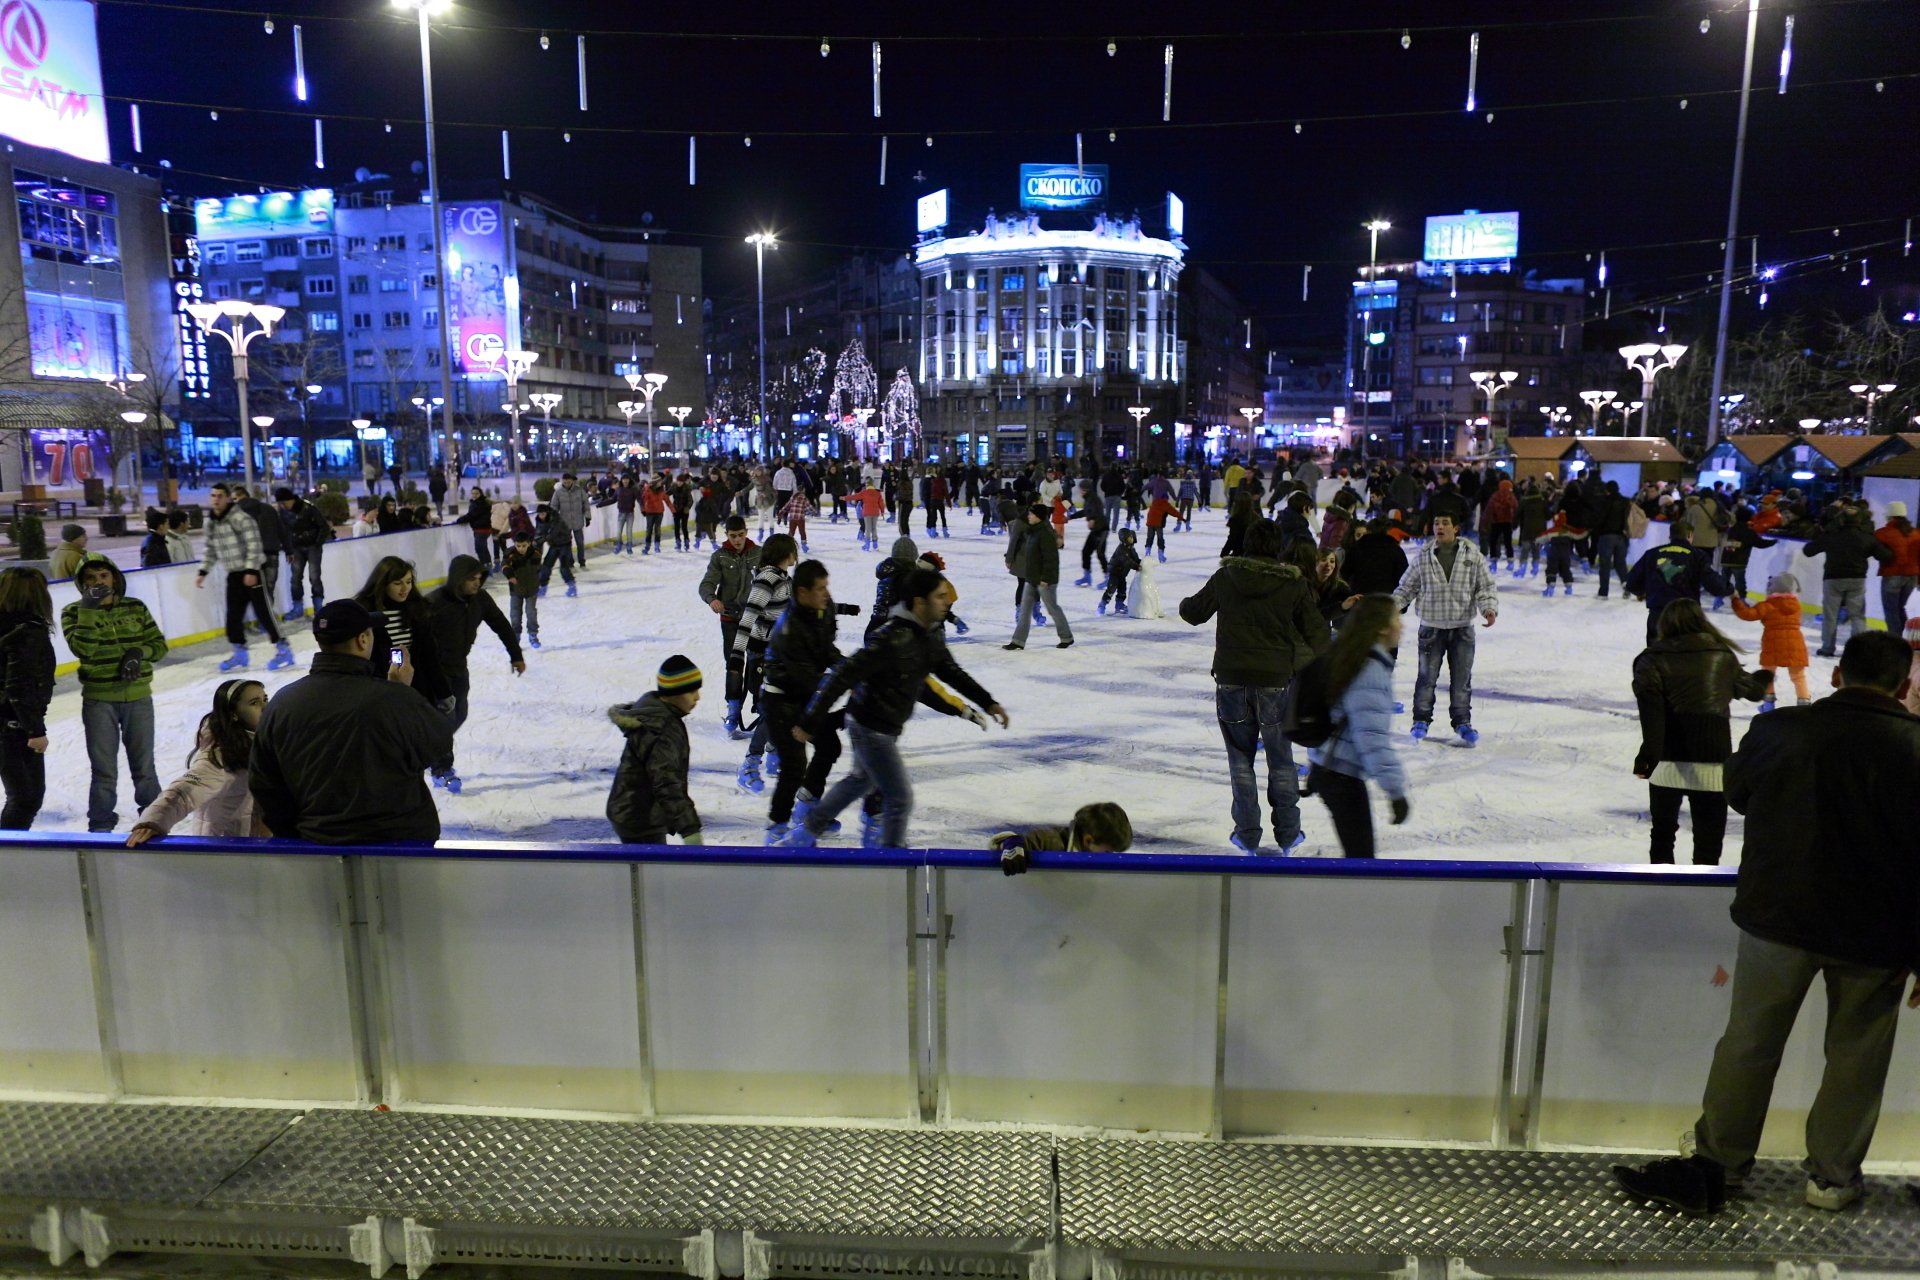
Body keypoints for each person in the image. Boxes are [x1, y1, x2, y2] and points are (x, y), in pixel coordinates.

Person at [1612, 631, 1920, 1219]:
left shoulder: (1779, 731)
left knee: (1749, 1044)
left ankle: (1719, 1166)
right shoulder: (1914, 747)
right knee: (1856, 1056)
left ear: (1835, 676)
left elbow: (1738, 791)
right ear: (1904, 686)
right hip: (1876, 934)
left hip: (1779, 917)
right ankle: (1831, 1181)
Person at [778, 569, 1008, 849]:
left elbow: (949, 671)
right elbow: (842, 676)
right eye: (939, 596)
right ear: (919, 602)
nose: (946, 602)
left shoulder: (930, 634)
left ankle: (804, 834)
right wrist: (809, 721)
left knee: (860, 781)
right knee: (899, 798)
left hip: (881, 724)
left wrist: (987, 701)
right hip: (870, 726)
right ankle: (892, 860)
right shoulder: (890, 638)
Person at [1179, 519, 1330, 853]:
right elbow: (1318, 635)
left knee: (1240, 760)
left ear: (1246, 544)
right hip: (1275, 681)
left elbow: (1193, 613)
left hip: (1232, 679)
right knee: (1281, 760)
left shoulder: (1226, 577)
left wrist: (1185, 604)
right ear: (1277, 547)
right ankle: (1289, 834)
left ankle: (1247, 834)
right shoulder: (1292, 584)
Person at [250, 600, 456, 844]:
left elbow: (264, 782)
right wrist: (401, 692)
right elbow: (437, 743)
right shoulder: (394, 699)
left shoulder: (281, 704)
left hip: (318, 843)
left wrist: (295, 833)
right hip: (399, 842)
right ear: (362, 640)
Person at [1630, 600, 1773, 866]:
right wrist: (1763, 678)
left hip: (1667, 759)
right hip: (1713, 759)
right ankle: (1703, 901)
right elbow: (1753, 691)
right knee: (1709, 841)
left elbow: (1652, 715)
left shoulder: (1650, 659)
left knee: (1662, 836)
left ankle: (1661, 893)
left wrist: (1647, 757)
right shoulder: (1721, 655)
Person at [62, 557, 168, 833]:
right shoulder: (73, 612)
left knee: (145, 768)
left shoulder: (135, 607)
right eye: (91, 578)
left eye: (104, 576)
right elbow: (84, 650)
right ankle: (100, 825)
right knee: (104, 771)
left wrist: (138, 653)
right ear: (82, 584)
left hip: (138, 699)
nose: (99, 582)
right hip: (100, 701)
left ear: (114, 577)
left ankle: (154, 821)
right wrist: (89, 609)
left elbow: (159, 645)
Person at [760, 559, 861, 840]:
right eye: (819, 589)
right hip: (780, 700)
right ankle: (776, 827)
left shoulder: (823, 608)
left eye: (827, 586)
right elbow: (811, 681)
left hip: (805, 694)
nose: (826, 594)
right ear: (802, 593)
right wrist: (846, 682)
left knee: (829, 747)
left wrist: (850, 671)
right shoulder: (788, 630)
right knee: (793, 766)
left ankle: (806, 809)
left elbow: (826, 650)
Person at [1303, 595, 1409, 859]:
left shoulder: (1354, 655)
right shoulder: (1369, 669)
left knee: (1358, 860)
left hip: (1330, 767)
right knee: (1361, 864)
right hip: (1340, 776)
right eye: (1398, 619)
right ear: (1383, 626)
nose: (1402, 626)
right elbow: (1372, 738)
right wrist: (1395, 790)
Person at [1393, 513, 1498, 746]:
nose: (1439, 527)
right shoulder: (1424, 556)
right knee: (1426, 678)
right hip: (1431, 626)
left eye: (1445, 523)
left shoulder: (1472, 555)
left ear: (1456, 528)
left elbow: (1485, 586)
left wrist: (1488, 608)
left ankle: (1462, 721)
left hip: (1462, 628)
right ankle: (1421, 720)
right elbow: (1406, 587)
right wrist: (1391, 608)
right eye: (1436, 523)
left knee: (1462, 679)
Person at [427, 555, 527, 792]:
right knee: (446, 718)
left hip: (459, 668)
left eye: (479, 578)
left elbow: (501, 624)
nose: (476, 583)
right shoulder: (434, 603)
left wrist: (516, 655)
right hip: (434, 672)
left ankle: (428, 749)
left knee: (460, 714)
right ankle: (441, 767)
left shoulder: (480, 599)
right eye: (471, 578)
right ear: (458, 578)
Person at [127, 679, 271, 843]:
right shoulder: (222, 755)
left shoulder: (265, 743)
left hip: (257, 847)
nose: (265, 707)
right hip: (224, 850)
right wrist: (153, 821)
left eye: (265, 699)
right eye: (254, 703)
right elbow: (183, 791)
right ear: (233, 714)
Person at [606, 655, 705, 845]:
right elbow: (666, 782)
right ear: (673, 692)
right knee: (647, 870)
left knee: (647, 867)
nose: (697, 697)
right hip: (639, 816)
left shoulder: (658, 715)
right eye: (691, 691)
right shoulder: (660, 727)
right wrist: (690, 829)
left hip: (634, 810)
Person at [730, 534, 800, 794]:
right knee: (774, 709)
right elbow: (748, 617)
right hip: (764, 655)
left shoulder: (782, 578)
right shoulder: (767, 579)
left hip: (779, 653)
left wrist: (838, 608)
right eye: (793, 550)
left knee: (783, 707)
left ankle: (771, 753)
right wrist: (737, 656)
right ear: (785, 553)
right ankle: (751, 762)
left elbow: (797, 609)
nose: (796, 554)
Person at [198, 482, 293, 672]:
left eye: (219, 496)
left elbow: (254, 545)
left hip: (252, 573)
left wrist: (251, 570)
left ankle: (283, 649)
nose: (215, 499)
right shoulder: (211, 523)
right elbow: (210, 550)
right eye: (213, 495)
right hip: (233, 574)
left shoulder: (241, 518)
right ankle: (240, 652)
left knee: (263, 613)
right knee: (233, 616)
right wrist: (203, 571)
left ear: (227, 498)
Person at [0, 567, 55, 828]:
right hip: (13, 725)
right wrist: (35, 730)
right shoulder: (27, 631)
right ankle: (7, 858)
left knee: (25, 797)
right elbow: (19, 686)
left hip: (10, 722)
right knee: (25, 798)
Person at [698, 515, 760, 737]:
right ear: (727, 536)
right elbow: (706, 584)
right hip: (731, 620)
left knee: (757, 663)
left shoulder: (758, 553)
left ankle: (761, 707)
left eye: (741, 535)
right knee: (734, 667)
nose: (737, 540)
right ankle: (733, 711)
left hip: (755, 620)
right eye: (733, 536)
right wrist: (711, 599)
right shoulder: (720, 556)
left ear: (746, 532)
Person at [1802, 505, 1891, 656]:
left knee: (1830, 615)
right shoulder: (1866, 537)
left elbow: (1808, 551)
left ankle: (1827, 648)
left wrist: (1824, 532)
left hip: (1833, 578)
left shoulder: (1831, 535)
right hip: (1857, 579)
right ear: (1859, 520)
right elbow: (1885, 556)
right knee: (1857, 616)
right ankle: (1858, 651)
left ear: (1841, 520)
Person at [1625, 524, 1732, 644]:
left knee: (1656, 657)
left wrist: (1642, 592)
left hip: (1658, 615)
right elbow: (1714, 584)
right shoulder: (1697, 555)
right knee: (1683, 657)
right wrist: (1729, 589)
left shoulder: (1652, 554)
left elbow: (1631, 583)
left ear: (1670, 536)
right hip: (1686, 617)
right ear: (1690, 535)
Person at [1729, 572, 1811, 710]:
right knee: (1798, 676)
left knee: (1768, 675)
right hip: (1795, 643)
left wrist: (1735, 600)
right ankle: (1804, 704)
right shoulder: (1796, 605)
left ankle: (1768, 705)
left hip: (1773, 643)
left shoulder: (1768, 605)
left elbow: (1747, 614)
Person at [1006, 503, 1074, 651]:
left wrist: (1046, 578)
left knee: (1052, 608)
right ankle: (1018, 641)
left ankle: (1066, 637)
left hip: (1045, 580)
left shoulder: (1045, 534)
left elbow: (1051, 559)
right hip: (1032, 578)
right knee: (1025, 610)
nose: (1028, 516)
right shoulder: (1033, 531)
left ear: (1038, 517)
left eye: (1031, 514)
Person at [993, 802, 1135, 873]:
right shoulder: (1052, 841)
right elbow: (1008, 843)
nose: (1111, 858)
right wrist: (1012, 843)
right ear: (1089, 841)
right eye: (1107, 853)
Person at [276, 486, 332, 621]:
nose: (282, 506)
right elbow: (284, 531)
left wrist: (317, 544)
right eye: (280, 504)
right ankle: (297, 608)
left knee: (314, 577)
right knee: (295, 579)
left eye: (283, 502)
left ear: (290, 499)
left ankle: (319, 609)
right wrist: (288, 548)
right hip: (296, 548)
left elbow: (323, 526)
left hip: (312, 547)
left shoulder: (308, 508)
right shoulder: (283, 512)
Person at [1873, 500, 1920, 635]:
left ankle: (1895, 640)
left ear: (1890, 516)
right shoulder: (1916, 533)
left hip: (1892, 574)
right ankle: (1906, 638)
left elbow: (1875, 550)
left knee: (1891, 611)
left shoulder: (1882, 533)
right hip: (1911, 576)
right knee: (1902, 609)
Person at [501, 533, 542, 650]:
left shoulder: (536, 553)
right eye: (518, 546)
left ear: (528, 544)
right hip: (516, 590)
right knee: (515, 615)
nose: (521, 548)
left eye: (524, 546)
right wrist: (509, 574)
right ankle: (515, 638)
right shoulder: (510, 554)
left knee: (531, 613)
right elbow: (504, 565)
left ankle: (533, 636)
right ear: (515, 544)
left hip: (531, 589)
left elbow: (538, 568)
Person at [551, 472, 593, 568]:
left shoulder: (579, 490)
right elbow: (554, 506)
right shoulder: (558, 492)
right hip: (565, 523)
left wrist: (587, 517)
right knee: (567, 544)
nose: (566, 483)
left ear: (572, 481)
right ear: (562, 481)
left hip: (578, 521)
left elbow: (586, 504)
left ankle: (581, 560)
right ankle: (570, 562)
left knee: (580, 543)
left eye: (568, 481)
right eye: (565, 481)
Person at [1100, 528, 1144, 616]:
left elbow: (1135, 559)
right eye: (1129, 538)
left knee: (1122, 590)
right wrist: (1137, 567)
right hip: (1115, 573)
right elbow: (1127, 561)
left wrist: (1143, 563)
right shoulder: (1121, 549)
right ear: (1124, 539)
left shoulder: (1131, 548)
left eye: (1131, 537)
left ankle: (1119, 605)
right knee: (1111, 590)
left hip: (1122, 574)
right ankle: (1102, 606)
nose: (1131, 539)